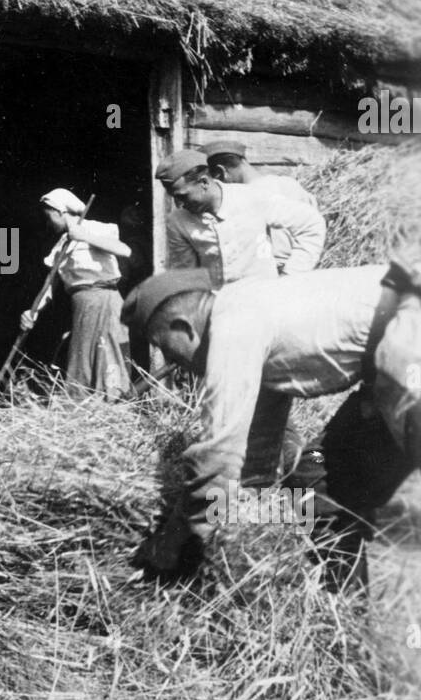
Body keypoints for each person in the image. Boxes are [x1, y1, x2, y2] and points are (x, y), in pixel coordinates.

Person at [120, 259, 421, 588]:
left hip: (408, 339)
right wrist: (245, 520)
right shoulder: (248, 312)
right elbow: (256, 446)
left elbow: (219, 453)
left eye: (165, 348)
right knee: (312, 486)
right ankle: (343, 615)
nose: (174, 364)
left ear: (184, 328)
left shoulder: (231, 328)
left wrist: (175, 544)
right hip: (393, 350)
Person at [19, 188, 133, 399]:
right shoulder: (61, 245)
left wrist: (84, 236)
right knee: (82, 360)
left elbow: (124, 250)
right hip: (81, 307)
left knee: (107, 354)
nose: (48, 223)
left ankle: (114, 405)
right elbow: (50, 286)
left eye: (49, 217)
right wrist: (32, 311)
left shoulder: (96, 229)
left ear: (60, 211)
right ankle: (86, 407)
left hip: (105, 299)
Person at [156, 149, 325, 286]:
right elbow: (187, 276)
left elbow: (311, 224)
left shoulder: (251, 198)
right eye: (174, 197)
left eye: (183, 196)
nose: (180, 204)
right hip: (219, 310)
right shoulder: (178, 222)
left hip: (263, 304)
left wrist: (290, 277)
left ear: (204, 182)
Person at [202, 138, 321, 272]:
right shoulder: (290, 184)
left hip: (275, 277)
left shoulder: (246, 199)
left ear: (221, 173)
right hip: (306, 270)